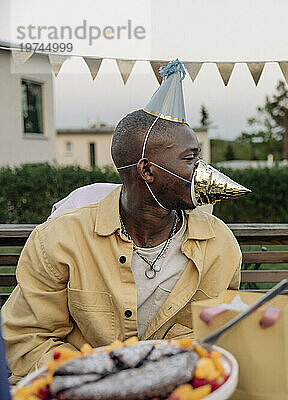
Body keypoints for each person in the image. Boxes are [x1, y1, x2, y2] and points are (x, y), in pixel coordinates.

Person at [1, 60, 242, 382]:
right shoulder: (58, 239)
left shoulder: (219, 242)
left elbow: (220, 336)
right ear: (146, 170)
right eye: (190, 159)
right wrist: (108, 381)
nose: (202, 169)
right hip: (78, 389)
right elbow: (28, 339)